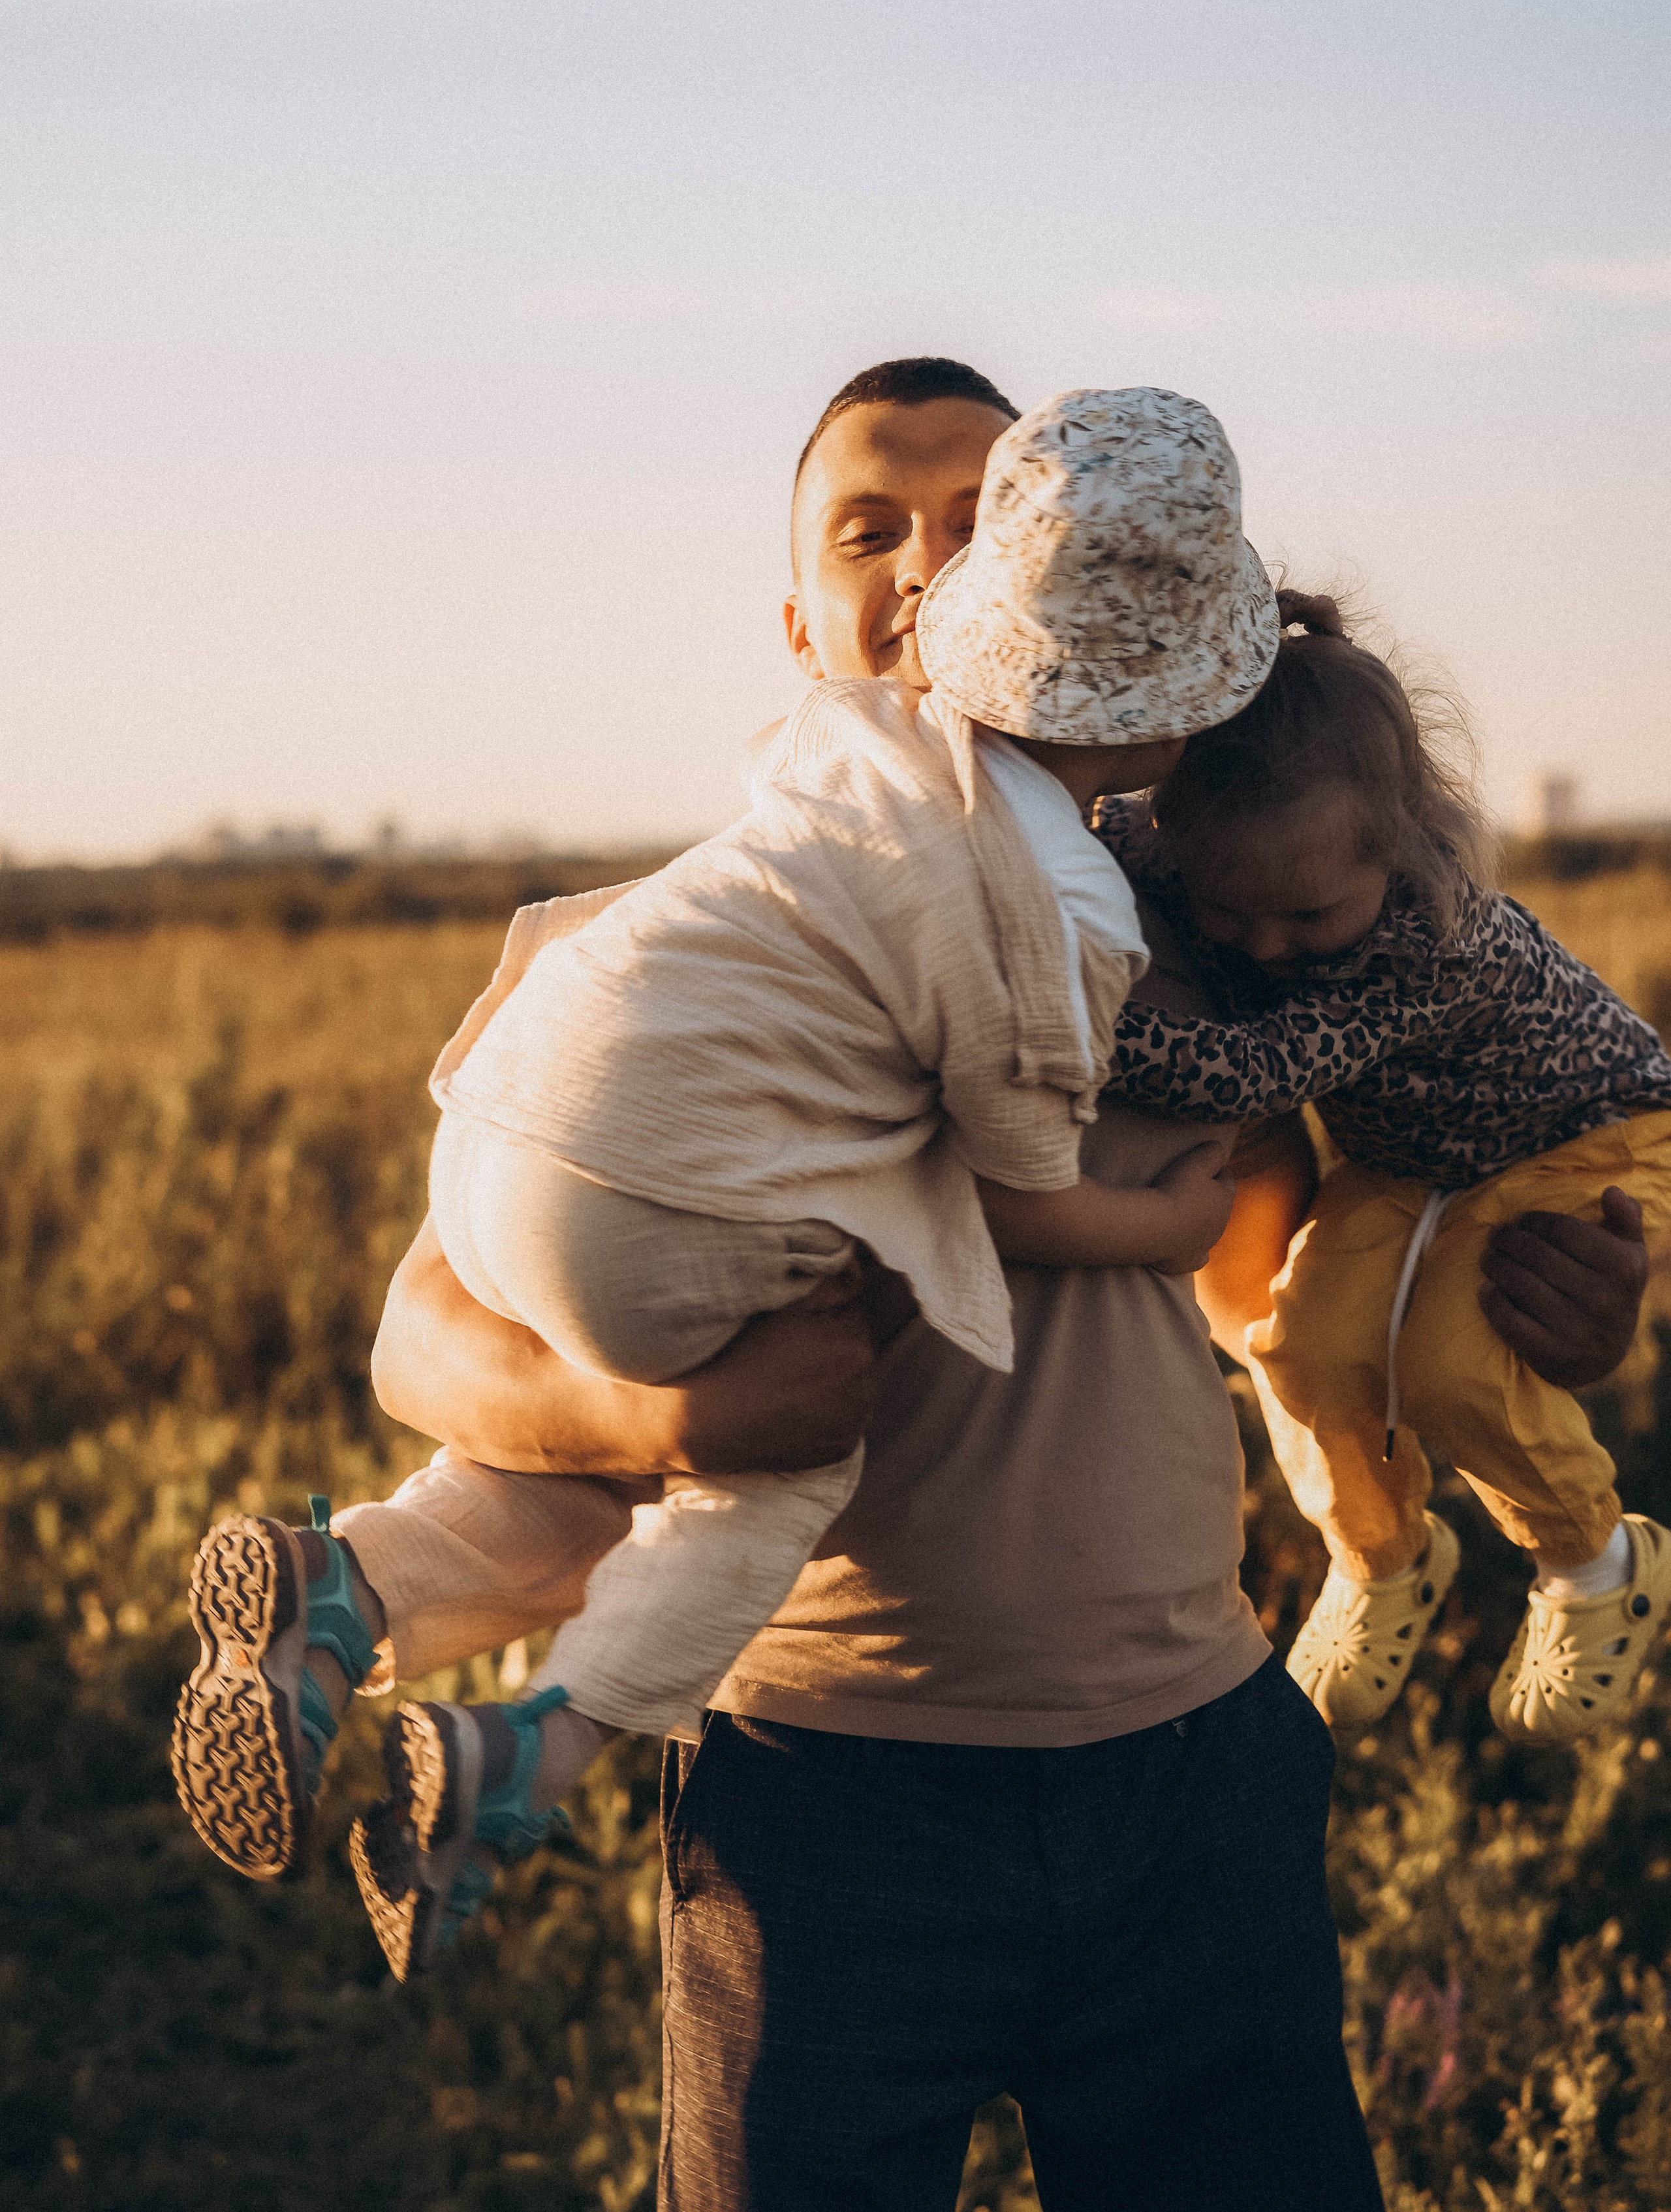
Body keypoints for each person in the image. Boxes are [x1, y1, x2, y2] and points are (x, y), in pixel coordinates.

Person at [198, 361, 1651, 2207]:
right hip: (829, 1795)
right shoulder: (671, 959)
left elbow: (1357, 1220)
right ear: (797, 619)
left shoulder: (1201, 930)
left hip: (1192, 1770)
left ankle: (404, 1653)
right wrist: (680, 1418)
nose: (922, 562)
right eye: (867, 527)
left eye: (975, 523)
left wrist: (1579, 1305)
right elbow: (425, 1332)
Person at [1097, 590, 1671, 1737]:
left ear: (1399, 842)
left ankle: (1600, 1562)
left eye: (1308, 916)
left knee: (1454, 1362)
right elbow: (1102, 828)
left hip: (1579, 1135)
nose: (1266, 945)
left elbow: (1249, 1072)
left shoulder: (1427, 942)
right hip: (1409, 1158)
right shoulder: (1217, 851)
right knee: (1301, 1346)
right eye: (1230, 908)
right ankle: (1383, 1556)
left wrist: (1082, 1020)